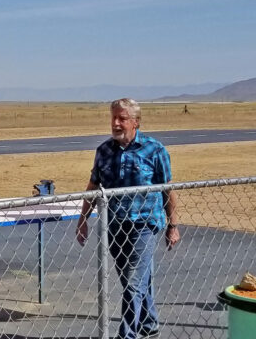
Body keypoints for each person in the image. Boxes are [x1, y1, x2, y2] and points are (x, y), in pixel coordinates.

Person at [76, 98, 180, 339]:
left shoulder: (154, 150)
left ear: (136, 122)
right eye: (113, 118)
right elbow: (93, 187)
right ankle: (149, 323)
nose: (115, 123)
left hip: (145, 224)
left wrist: (173, 225)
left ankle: (127, 335)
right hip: (114, 225)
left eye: (122, 118)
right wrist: (83, 220)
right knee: (136, 279)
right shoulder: (103, 151)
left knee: (134, 282)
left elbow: (168, 190)